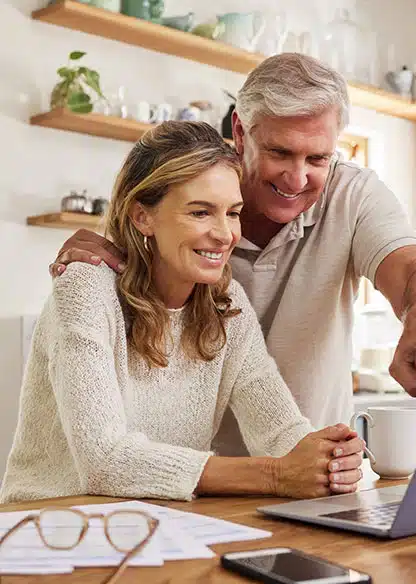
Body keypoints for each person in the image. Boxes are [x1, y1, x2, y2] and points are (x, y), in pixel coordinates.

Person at [49, 53, 416, 457]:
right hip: (189, 479)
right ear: (240, 131)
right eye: (279, 152)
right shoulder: (183, 204)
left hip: (299, 467)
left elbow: (412, 268)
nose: (297, 178)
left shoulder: (353, 195)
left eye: (318, 157)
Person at [0, 121, 364, 504]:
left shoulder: (227, 306)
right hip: (49, 531)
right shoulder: (86, 288)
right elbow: (104, 460)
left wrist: (327, 457)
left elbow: (281, 433)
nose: (225, 234)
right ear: (143, 217)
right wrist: (276, 475)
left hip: (158, 527)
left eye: (233, 213)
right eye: (201, 212)